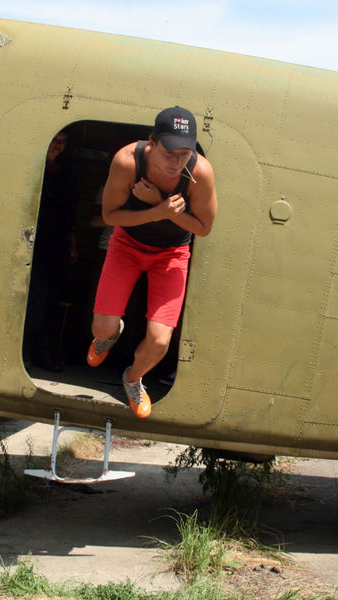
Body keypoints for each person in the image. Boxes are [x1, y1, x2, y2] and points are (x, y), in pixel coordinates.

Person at [87, 106, 217, 418]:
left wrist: (160, 204)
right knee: (101, 329)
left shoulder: (200, 173)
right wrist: (159, 212)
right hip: (127, 245)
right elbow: (109, 216)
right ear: (152, 143)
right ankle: (111, 335)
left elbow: (203, 228)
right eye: (170, 152)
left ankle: (132, 380)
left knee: (159, 341)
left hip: (172, 254)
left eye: (185, 153)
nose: (177, 162)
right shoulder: (128, 161)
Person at [24, 129, 79, 372]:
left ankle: (41, 351)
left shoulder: (66, 172)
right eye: (55, 140)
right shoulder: (33, 167)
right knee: (34, 294)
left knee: (49, 297)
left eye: (63, 142)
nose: (58, 146)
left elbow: (70, 212)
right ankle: (28, 350)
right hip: (34, 237)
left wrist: (73, 242)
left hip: (56, 240)